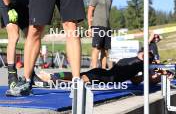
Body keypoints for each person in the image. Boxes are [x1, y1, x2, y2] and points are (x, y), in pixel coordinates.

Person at [37, 51, 173, 86]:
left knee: (77, 75)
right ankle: (53, 79)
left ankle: (55, 76)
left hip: (105, 74)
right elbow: (139, 80)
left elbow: (135, 80)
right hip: (107, 77)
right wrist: (161, 74)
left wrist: (160, 72)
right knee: (77, 81)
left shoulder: (134, 62)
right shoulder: (137, 63)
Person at [0, 0, 32, 89]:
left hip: (22, 4)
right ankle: (12, 76)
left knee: (32, 36)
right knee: (14, 36)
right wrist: (9, 7)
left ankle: (30, 73)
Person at [88, 0, 112, 69]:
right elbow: (90, 11)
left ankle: (103, 71)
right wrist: (90, 27)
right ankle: (94, 70)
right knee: (96, 48)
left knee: (105, 51)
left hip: (107, 27)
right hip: (97, 26)